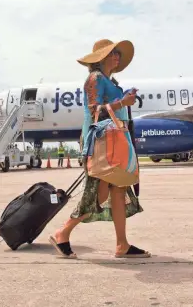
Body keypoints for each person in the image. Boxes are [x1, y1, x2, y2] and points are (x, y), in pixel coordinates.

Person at [50, 39, 150, 259]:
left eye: (118, 53)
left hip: (116, 140)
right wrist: (123, 103)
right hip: (100, 141)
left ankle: (122, 245)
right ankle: (62, 232)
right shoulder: (94, 79)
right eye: (113, 53)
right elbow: (94, 110)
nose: (117, 56)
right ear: (101, 57)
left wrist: (125, 100)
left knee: (119, 190)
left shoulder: (111, 81)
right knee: (98, 193)